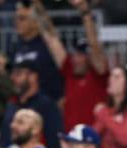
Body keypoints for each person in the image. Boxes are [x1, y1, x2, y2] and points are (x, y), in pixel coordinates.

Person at [43, 0, 108, 130]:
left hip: (91, 145)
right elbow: (51, 38)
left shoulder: (100, 77)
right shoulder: (69, 71)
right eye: (76, 54)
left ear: (90, 58)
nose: (76, 59)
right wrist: (36, 7)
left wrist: (85, 13)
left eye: (82, 55)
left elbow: (94, 45)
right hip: (70, 142)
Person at [0, 59, 63, 148]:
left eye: (18, 74)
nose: (12, 78)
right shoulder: (11, 104)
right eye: (12, 74)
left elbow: (55, 146)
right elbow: (4, 141)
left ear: (33, 77)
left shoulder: (46, 106)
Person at [10, 1, 64, 101]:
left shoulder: (48, 45)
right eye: (16, 18)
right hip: (24, 103)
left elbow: (49, 30)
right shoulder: (16, 47)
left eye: (22, 18)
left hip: (47, 103)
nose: (17, 22)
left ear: (35, 23)